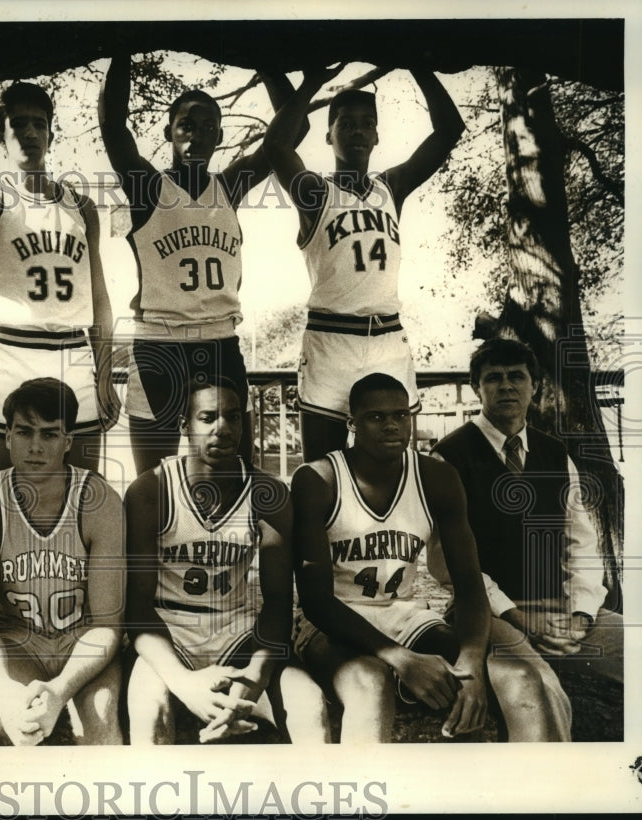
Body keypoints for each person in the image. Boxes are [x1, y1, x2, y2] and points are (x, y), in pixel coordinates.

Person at [291, 373, 571, 742]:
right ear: (352, 424)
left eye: (401, 415)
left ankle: (505, 791)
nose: (392, 424)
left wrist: (470, 660)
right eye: (376, 417)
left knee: (490, 679)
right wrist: (400, 658)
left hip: (401, 613)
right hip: (332, 619)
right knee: (370, 682)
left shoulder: (435, 476)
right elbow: (315, 601)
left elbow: (469, 583)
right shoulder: (319, 478)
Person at [99, 55, 302, 475]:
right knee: (153, 481)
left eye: (208, 127)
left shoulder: (229, 185)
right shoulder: (149, 186)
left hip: (219, 342)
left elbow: (294, 130)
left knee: (234, 474)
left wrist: (265, 61)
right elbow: (113, 128)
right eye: (187, 125)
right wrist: (122, 48)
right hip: (160, 343)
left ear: (220, 136)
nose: (197, 136)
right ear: (169, 132)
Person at [263, 66, 465, 461]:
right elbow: (276, 147)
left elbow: (449, 131)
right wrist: (312, 82)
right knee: (324, 469)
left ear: (377, 136)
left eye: (367, 124)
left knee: (392, 465)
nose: (357, 131)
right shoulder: (315, 192)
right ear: (329, 135)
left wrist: (415, 64)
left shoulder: (391, 188)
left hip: (388, 339)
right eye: (346, 123)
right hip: (332, 340)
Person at [124, 376, 329, 744]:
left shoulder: (268, 493)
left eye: (234, 417)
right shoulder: (151, 489)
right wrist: (183, 683)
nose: (223, 428)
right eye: (208, 417)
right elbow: (137, 607)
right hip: (170, 631)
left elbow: (279, 602)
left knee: (310, 705)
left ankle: (318, 801)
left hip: (237, 631)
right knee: (149, 710)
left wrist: (254, 680)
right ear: (184, 425)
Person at [0, 80, 117, 476]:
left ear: (50, 133)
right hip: (11, 352)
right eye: (17, 124)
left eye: (38, 124)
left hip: (72, 355)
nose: (29, 132)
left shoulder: (82, 206)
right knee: (3, 493)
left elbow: (100, 299)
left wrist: (106, 375)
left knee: (84, 491)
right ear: (0, 136)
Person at [432, 338, 623, 686]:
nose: (506, 385)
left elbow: (579, 542)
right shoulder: (449, 456)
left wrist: (580, 616)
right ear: (477, 387)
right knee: (531, 680)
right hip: (485, 612)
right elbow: (447, 561)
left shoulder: (554, 453)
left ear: (533, 386)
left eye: (517, 376)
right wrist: (518, 616)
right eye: (493, 377)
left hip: (558, 607)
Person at [0, 378, 124, 746]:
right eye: (24, 432)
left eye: (49, 435)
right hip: (19, 644)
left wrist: (61, 690)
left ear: (68, 442)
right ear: (8, 436)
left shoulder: (99, 501)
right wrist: (2, 691)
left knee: (101, 714)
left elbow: (108, 624)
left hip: (83, 641)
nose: (35, 447)